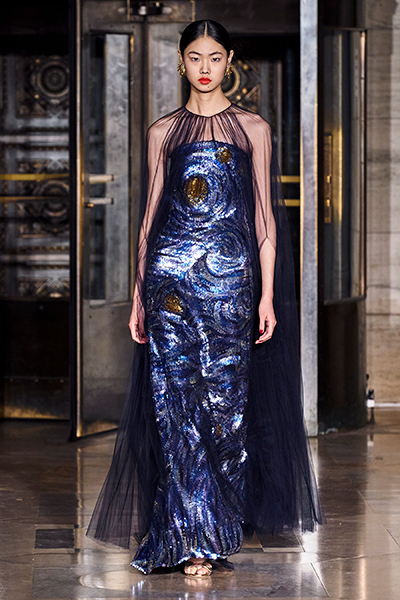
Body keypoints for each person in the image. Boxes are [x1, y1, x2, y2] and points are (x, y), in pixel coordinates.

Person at [87, 19, 324, 578]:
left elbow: (264, 220)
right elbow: (149, 219)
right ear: (181, 61)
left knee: (224, 410)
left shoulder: (253, 130)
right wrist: (139, 295)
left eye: (215, 58)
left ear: (229, 61)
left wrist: (268, 296)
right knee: (175, 407)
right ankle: (190, 540)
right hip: (170, 280)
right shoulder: (163, 132)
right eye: (195, 57)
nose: (205, 68)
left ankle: (213, 530)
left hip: (231, 283)